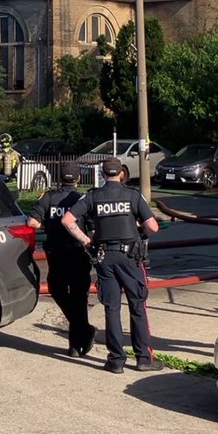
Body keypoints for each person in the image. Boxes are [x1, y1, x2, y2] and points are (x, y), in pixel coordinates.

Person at [62, 156, 159, 374]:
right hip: (130, 258)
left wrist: (86, 240)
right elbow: (152, 227)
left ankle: (116, 360)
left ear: (103, 174)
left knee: (111, 308)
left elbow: (67, 220)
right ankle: (143, 358)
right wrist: (139, 231)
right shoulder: (133, 195)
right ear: (121, 173)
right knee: (137, 306)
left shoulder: (93, 196)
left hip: (105, 258)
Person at [28, 162, 96, 359]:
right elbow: (92, 227)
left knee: (56, 290)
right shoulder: (82, 199)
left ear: (59, 178)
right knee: (79, 296)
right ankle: (80, 334)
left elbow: (32, 222)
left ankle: (76, 343)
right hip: (79, 253)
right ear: (78, 179)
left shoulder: (49, 197)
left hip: (56, 253)